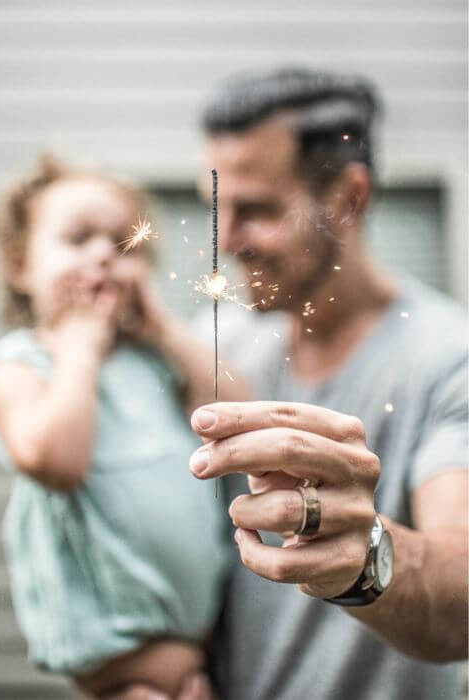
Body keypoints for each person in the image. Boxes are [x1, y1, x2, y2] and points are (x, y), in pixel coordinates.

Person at [184, 68, 468, 700]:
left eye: (255, 209)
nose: (227, 242)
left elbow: (464, 599)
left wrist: (364, 556)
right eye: (217, 209)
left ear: (348, 199)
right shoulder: (221, 347)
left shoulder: (451, 358)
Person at [0, 154, 244, 698]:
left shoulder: (152, 360)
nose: (103, 255)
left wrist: (162, 327)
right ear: (20, 265)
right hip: (121, 669)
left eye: (124, 243)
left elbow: (240, 410)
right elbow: (53, 461)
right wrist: (80, 349)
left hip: (202, 657)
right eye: (78, 239)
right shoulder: (20, 365)